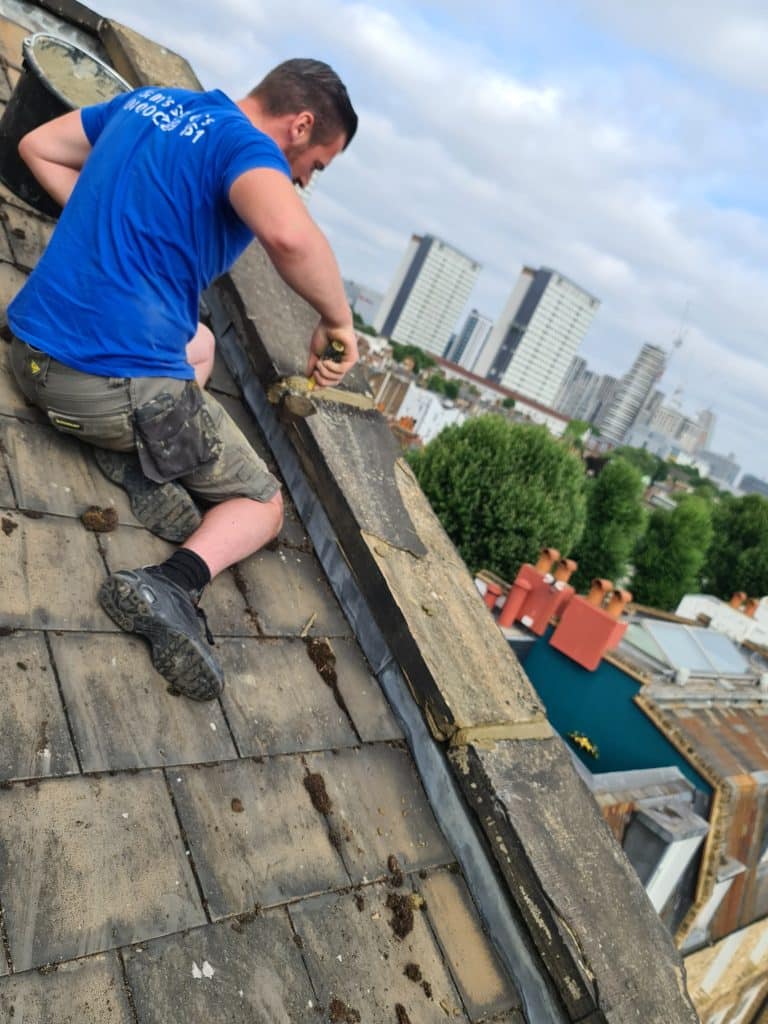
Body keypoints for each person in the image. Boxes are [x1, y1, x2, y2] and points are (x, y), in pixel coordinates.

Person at [7, 59, 359, 701]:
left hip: (29, 352)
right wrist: (338, 318)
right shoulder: (245, 145)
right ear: (301, 125)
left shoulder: (151, 102)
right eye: (316, 166)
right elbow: (286, 235)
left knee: (199, 344)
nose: (303, 181)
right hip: (98, 386)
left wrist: (109, 226)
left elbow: (35, 146)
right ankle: (169, 584)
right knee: (262, 504)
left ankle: (139, 460)